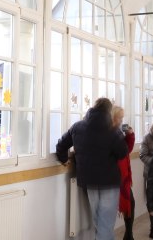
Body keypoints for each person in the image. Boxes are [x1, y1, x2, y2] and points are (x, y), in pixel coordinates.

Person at [56, 98, 128, 240]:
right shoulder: (112, 130)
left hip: (89, 181)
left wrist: (64, 159)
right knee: (105, 224)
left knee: (99, 223)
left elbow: (61, 145)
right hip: (109, 182)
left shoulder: (77, 126)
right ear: (109, 111)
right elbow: (122, 153)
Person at [112, 106, 136, 240]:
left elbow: (126, 150)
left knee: (130, 203)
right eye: (119, 117)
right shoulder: (110, 132)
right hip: (115, 175)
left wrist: (130, 135)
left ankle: (129, 234)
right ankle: (128, 234)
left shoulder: (118, 132)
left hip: (123, 176)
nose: (122, 121)